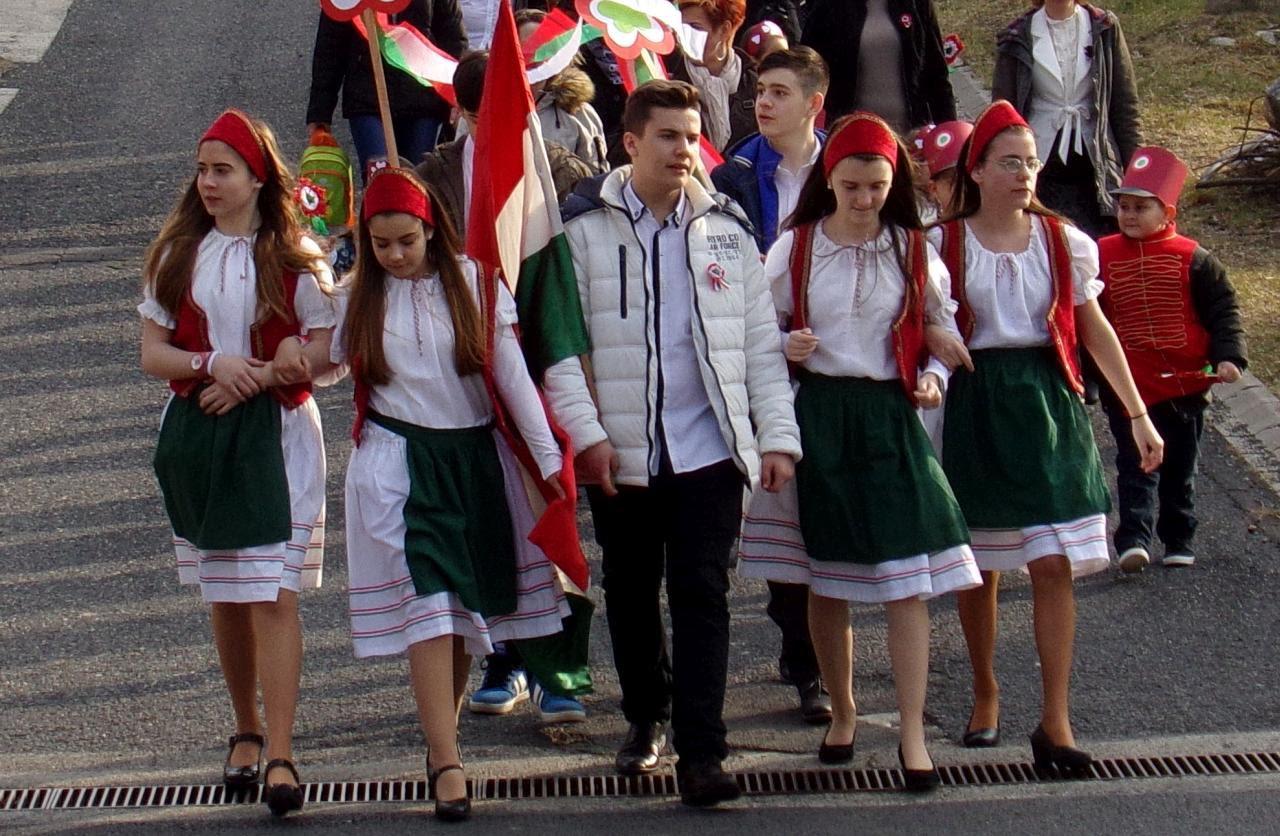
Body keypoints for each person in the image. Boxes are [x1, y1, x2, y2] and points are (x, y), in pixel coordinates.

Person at [545, 80, 802, 807]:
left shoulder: (727, 228)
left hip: (708, 450)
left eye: (691, 136)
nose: (684, 150)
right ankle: (645, 714)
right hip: (622, 452)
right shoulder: (582, 230)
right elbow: (562, 349)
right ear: (630, 143)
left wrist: (776, 436)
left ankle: (703, 750)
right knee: (630, 591)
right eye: (668, 136)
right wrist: (588, 435)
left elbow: (759, 346)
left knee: (702, 593)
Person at [334, 167, 576, 822]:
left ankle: (444, 739)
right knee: (431, 608)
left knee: (465, 614)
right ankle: (446, 760)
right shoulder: (357, 298)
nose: (394, 255)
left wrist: (548, 460)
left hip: (473, 462)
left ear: (431, 230)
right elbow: (322, 362)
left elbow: (513, 377)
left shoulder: (475, 284)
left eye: (406, 241)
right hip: (399, 466)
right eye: (380, 244)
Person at [753, 112, 982, 790]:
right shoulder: (793, 249)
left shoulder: (912, 249)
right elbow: (757, 332)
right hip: (820, 415)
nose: (863, 199)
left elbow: (940, 325)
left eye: (876, 187)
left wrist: (934, 378)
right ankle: (845, 711)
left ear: (893, 184)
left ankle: (912, 732)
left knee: (907, 582)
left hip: (888, 417)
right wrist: (786, 345)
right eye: (851, 186)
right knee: (826, 576)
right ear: (830, 179)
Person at [931, 101, 1162, 772]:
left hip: (1047, 402)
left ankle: (1056, 718)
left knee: (1054, 562)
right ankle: (985, 692)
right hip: (974, 401)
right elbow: (918, 321)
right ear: (977, 170)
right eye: (1010, 162)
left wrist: (1137, 413)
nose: (1025, 174)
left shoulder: (1064, 240)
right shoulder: (940, 243)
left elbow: (1093, 328)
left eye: (1030, 162)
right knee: (980, 565)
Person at [139, 109, 336, 818]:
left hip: (277, 437)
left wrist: (264, 373)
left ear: (258, 178)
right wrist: (211, 363)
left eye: (223, 170)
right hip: (201, 431)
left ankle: (281, 751)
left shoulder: (296, 255)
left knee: (274, 594)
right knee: (226, 593)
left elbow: (328, 348)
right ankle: (246, 728)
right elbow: (153, 353)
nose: (208, 182)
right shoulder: (176, 253)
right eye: (202, 170)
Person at [712, 46, 830, 725]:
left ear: (815, 102)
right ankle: (805, 659)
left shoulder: (846, 167)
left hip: (834, 362)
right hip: (763, 360)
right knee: (781, 510)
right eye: (761, 89)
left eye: (781, 92)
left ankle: (825, 652)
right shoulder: (734, 173)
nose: (764, 101)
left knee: (827, 516)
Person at [1096, 147, 1247, 572]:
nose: (1129, 215)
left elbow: (1223, 311)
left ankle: (1179, 538)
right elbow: (1090, 320)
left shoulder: (1195, 259)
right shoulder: (1100, 255)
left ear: (1168, 213)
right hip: (1128, 384)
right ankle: (1134, 539)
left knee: (1181, 467)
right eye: (1124, 206)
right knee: (1134, 466)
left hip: (1186, 385)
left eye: (1141, 207)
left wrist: (1229, 357)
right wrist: (1088, 377)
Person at [992, 0, 1142, 239]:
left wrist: (1139, 176)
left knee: (1098, 244)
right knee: (1048, 240)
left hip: (1096, 163)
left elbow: (1125, 108)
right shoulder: (1017, 35)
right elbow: (1002, 114)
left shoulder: (1104, 26)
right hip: (1040, 163)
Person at [415, 50, 593, 238]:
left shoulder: (562, 172)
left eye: (500, 118)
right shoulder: (432, 177)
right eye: (477, 120)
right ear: (459, 109)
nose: (490, 132)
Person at [306, 0, 468, 178]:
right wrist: (319, 113)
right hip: (367, 99)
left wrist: (458, 95)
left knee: (417, 183)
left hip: (423, 102)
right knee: (380, 180)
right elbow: (329, 46)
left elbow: (453, 38)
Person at [800, 0, 955, 130]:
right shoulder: (829, 6)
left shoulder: (917, 4)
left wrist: (950, 133)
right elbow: (806, 69)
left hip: (912, 136)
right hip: (851, 138)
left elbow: (937, 76)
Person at [517, 9, 610, 174]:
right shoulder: (484, 106)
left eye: (543, 46)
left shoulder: (579, 113)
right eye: (525, 46)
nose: (534, 56)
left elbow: (594, 177)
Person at [669, 0, 759, 153]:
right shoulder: (668, 80)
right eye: (681, 29)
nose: (684, 37)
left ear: (724, 30)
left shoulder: (755, 83)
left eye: (695, 28)